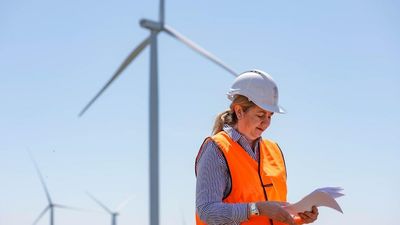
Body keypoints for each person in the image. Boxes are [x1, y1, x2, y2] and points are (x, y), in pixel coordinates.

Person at [195, 70, 319, 225]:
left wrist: (298, 217)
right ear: (239, 111)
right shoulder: (217, 149)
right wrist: (257, 209)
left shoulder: (274, 150)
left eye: (270, 116)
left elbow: (270, 216)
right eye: (260, 115)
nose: (266, 123)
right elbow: (207, 212)